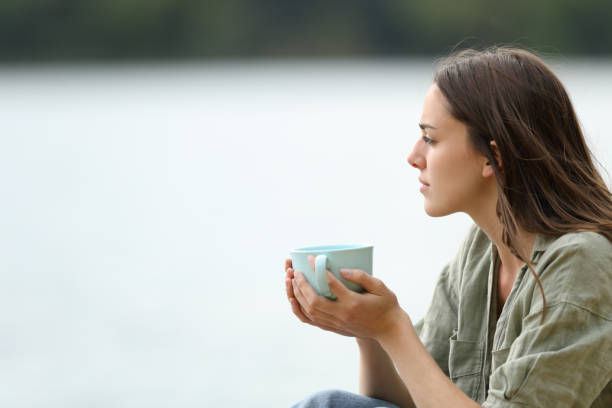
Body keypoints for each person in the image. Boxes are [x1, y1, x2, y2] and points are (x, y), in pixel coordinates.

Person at [284, 46, 612, 407]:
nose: (413, 157)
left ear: (494, 157)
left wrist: (392, 327)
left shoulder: (582, 263)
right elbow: (410, 398)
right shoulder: (481, 251)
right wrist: (367, 330)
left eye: (431, 138)